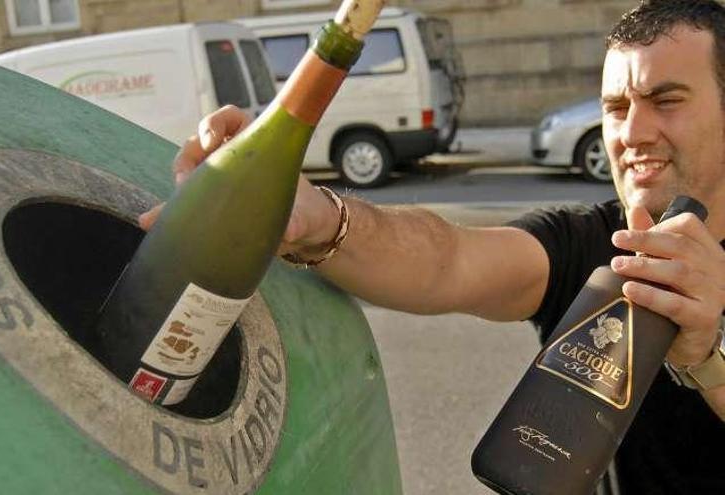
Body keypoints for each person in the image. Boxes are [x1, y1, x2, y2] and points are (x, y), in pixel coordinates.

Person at [140, 0, 725, 492]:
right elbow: (448, 259)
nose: (632, 132)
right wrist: (315, 217)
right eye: (617, 108)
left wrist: (707, 359)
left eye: (666, 100)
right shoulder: (591, 244)